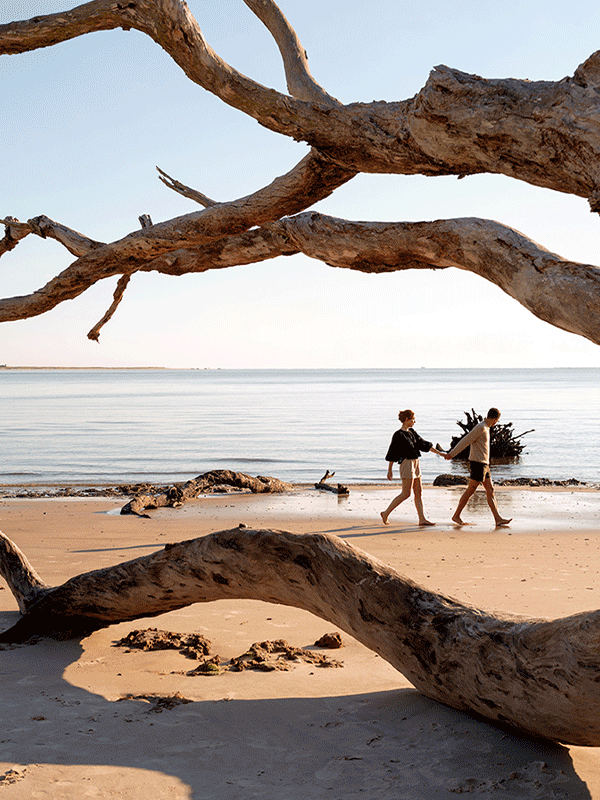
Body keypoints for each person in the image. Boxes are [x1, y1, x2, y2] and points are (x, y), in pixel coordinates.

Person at [444, 407, 512, 526]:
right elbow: (465, 441)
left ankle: (498, 519)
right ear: (495, 419)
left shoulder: (486, 427)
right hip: (477, 464)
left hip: (484, 464)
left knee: (490, 490)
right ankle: (456, 516)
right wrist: (451, 454)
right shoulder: (480, 427)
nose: (496, 423)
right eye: (497, 420)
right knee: (471, 490)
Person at [380, 409, 445, 526]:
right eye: (413, 419)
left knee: (418, 492)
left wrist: (440, 453)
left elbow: (424, 444)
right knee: (406, 493)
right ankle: (385, 513)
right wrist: (389, 470)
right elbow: (392, 453)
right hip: (406, 464)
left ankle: (422, 519)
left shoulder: (412, 432)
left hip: (416, 463)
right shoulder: (398, 435)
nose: (414, 422)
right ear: (407, 419)